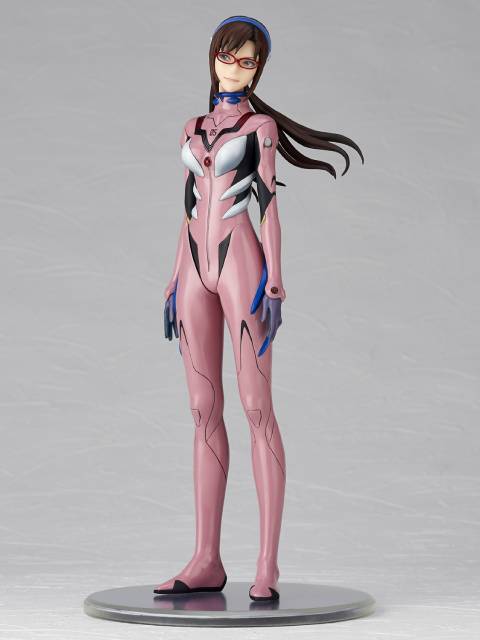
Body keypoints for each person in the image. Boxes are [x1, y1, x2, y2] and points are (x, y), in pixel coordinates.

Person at [155, 15, 364, 602]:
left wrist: (276, 279)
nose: (234, 67)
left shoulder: (260, 127)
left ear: (258, 70)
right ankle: (205, 558)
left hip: (241, 262)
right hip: (195, 267)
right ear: (213, 57)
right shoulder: (192, 127)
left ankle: (267, 563)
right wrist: (173, 277)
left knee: (255, 406)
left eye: (247, 61)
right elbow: (188, 204)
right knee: (202, 408)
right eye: (227, 56)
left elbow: (268, 203)